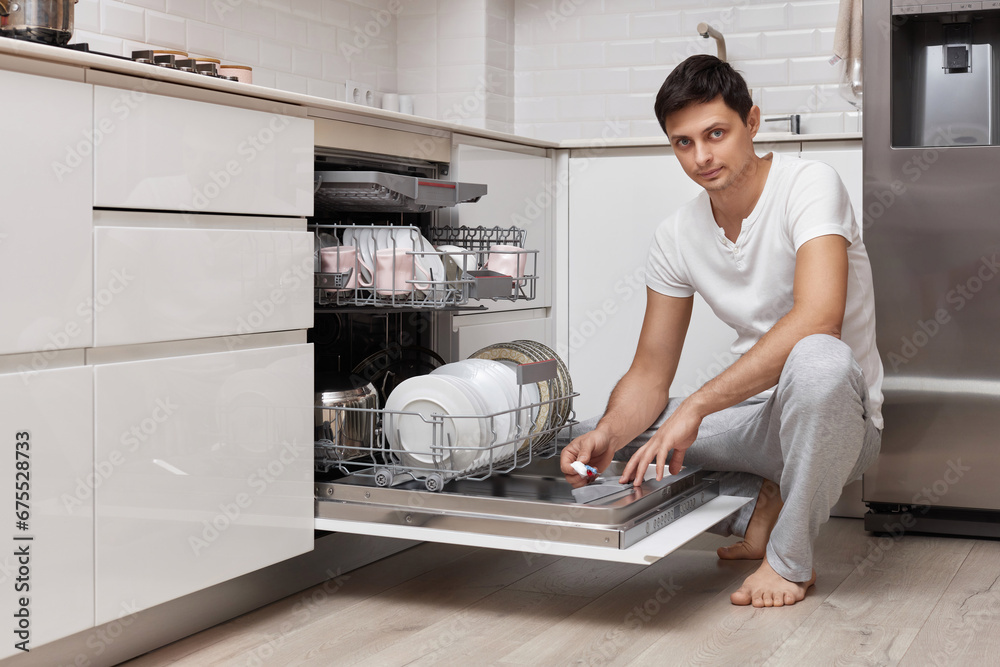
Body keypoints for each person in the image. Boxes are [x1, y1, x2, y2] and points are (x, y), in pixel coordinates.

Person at [560, 54, 883, 608]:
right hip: (753, 425)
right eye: (683, 143)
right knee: (596, 436)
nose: (702, 157)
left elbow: (818, 318)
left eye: (716, 134)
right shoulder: (677, 234)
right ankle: (759, 501)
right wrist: (609, 437)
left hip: (837, 422)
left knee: (819, 360)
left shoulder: (810, 184)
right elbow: (649, 372)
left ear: (751, 122)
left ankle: (789, 560)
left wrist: (696, 408)